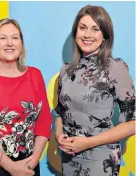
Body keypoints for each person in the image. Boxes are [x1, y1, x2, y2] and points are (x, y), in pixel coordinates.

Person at [54, 5, 135, 176]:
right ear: (76, 32)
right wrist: (59, 134)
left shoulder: (115, 68)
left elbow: (133, 123)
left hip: (101, 157)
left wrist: (88, 143)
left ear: (105, 35)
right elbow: (61, 112)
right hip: (69, 157)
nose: (87, 35)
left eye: (95, 29)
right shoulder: (66, 71)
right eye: (82, 28)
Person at [0, 18, 53, 176]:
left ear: (21, 45)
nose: (9, 43)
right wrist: (11, 167)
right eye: (2, 38)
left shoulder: (35, 75)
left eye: (15, 37)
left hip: (28, 165)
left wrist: (33, 161)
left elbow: (44, 120)